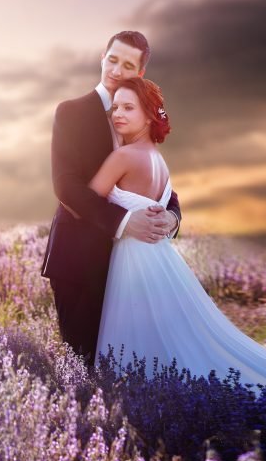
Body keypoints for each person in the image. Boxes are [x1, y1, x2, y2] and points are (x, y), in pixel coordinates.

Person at [90, 77, 266, 392]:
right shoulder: (158, 159)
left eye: (128, 107)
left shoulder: (122, 157)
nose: (118, 113)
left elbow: (88, 200)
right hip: (158, 256)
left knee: (135, 346)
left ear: (149, 115)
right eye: (115, 106)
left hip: (134, 257)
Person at [41, 31, 181, 364]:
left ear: (140, 73)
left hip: (129, 269)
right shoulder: (71, 112)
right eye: (113, 60)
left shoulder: (137, 118)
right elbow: (66, 186)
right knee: (85, 364)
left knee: (131, 365)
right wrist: (124, 222)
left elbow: (159, 183)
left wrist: (172, 217)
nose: (117, 70)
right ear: (103, 59)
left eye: (128, 65)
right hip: (78, 261)